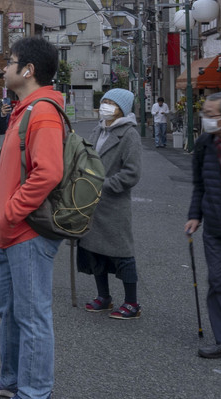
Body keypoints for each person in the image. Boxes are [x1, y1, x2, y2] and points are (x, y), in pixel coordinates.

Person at [0, 37, 64, 399]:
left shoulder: (42, 112)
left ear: (27, 70)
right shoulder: (25, 108)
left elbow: (48, 173)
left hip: (26, 232)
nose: (4, 67)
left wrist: (11, 213)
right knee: (12, 311)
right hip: (11, 231)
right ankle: (12, 378)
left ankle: (34, 391)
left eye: (10, 61)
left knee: (31, 317)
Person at [78, 88, 143, 319]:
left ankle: (132, 303)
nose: (104, 105)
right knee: (93, 248)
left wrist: (103, 184)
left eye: (110, 103)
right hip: (91, 201)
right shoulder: (98, 129)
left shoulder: (129, 134)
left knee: (122, 252)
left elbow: (132, 174)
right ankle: (103, 297)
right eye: (103, 101)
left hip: (113, 203)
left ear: (122, 109)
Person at [185, 91, 221, 359]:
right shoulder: (204, 143)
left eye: (211, 115)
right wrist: (195, 215)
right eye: (204, 113)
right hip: (215, 227)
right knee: (217, 282)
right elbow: (199, 185)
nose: (205, 119)